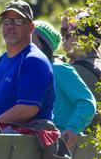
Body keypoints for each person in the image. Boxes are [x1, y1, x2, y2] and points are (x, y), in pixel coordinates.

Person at [0, 0, 55, 128]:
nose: (11, 26)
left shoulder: (34, 61)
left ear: (31, 28)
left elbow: (27, 109)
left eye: (18, 21)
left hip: (20, 143)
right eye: (7, 20)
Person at [32, 20, 96, 149]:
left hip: (58, 146)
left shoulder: (59, 70)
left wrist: (72, 128)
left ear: (45, 45)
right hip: (35, 141)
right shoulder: (29, 71)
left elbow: (87, 103)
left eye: (31, 40)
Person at [60, 7, 101, 102]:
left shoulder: (74, 71)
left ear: (83, 37)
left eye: (66, 31)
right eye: (62, 32)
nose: (62, 37)